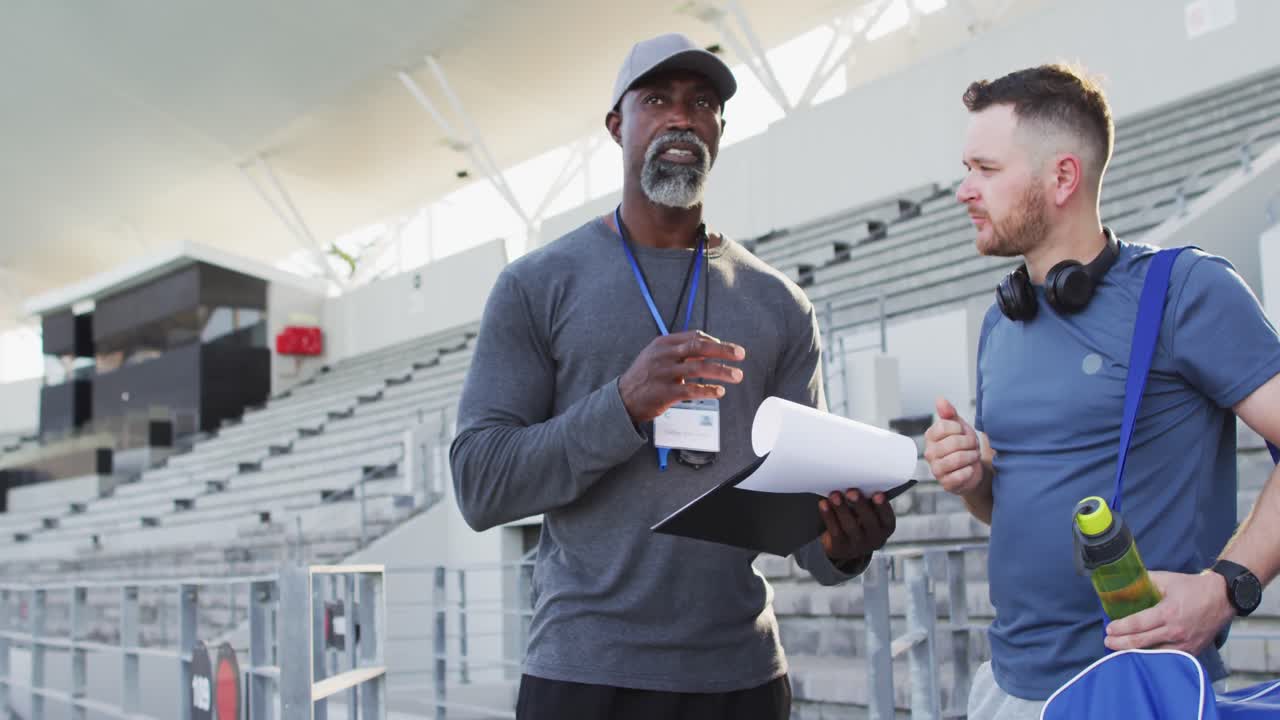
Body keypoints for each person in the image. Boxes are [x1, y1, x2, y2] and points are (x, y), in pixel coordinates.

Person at [450, 32, 897, 720]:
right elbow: (480, 484)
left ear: (719, 128)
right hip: (584, 674)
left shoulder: (779, 304)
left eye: (703, 103)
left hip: (741, 678)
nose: (681, 117)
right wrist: (624, 406)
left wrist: (840, 543)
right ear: (616, 125)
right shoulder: (536, 285)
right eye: (656, 99)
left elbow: (802, 518)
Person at [925, 63, 1280, 719]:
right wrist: (974, 475)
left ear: (1062, 177)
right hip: (1006, 687)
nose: (963, 190)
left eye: (985, 169)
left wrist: (1227, 587)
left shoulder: (1185, 291)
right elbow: (1008, 507)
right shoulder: (1005, 320)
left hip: (1133, 691)